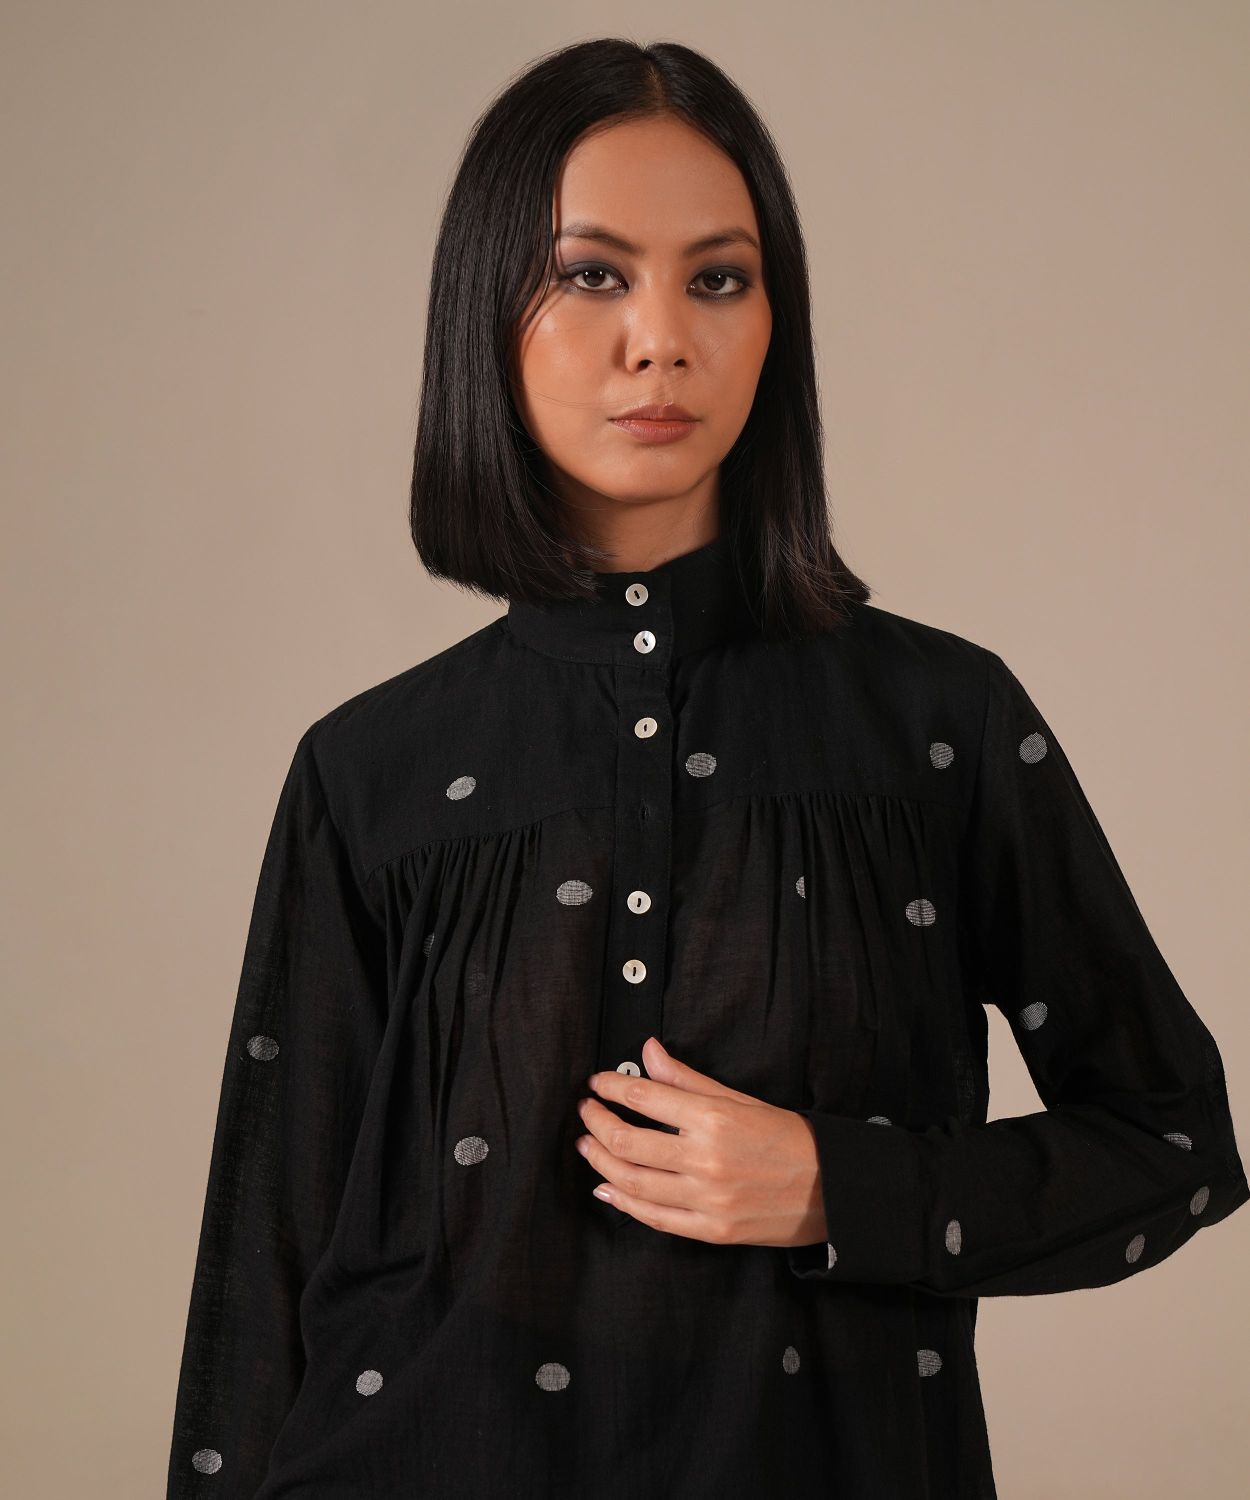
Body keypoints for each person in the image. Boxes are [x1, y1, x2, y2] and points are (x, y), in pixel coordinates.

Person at [165, 37, 1249, 1500]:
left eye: (719, 279)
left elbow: (1173, 1145)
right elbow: (264, 1280)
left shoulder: (936, 724)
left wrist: (838, 1188)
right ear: (484, 311)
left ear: (775, 321)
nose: (660, 339)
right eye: (590, 274)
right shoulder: (371, 773)